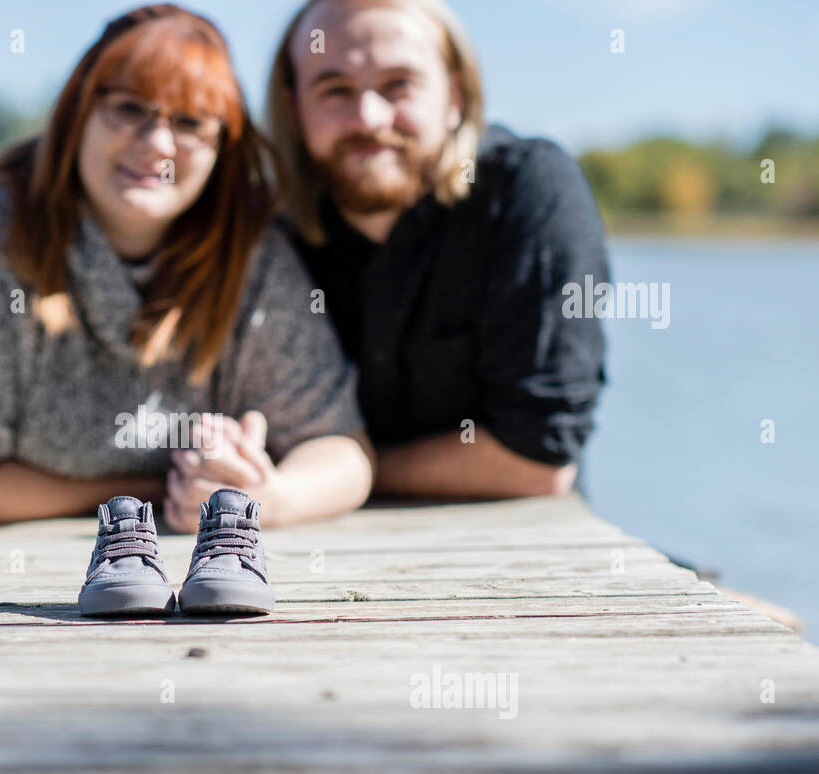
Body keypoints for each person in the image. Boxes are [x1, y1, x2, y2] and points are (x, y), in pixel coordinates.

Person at [0, 4, 374, 530]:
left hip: (204, 573)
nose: (157, 145)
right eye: (128, 108)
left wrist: (268, 496)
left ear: (223, 148)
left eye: (189, 122)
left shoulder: (253, 257)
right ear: (79, 113)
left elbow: (343, 449)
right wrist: (165, 491)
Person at [171, 0, 607, 502]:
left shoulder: (530, 193)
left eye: (399, 85)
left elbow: (538, 460)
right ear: (293, 110)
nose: (369, 118)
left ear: (454, 96)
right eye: (334, 89)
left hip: (517, 552)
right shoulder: (258, 229)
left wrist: (339, 473)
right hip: (282, 552)